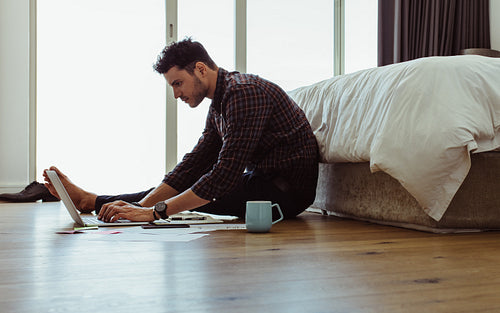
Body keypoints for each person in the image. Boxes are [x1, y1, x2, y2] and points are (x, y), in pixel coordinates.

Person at [44, 38, 319, 223]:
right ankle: (92, 200)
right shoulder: (220, 102)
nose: (176, 94)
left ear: (200, 69)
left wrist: (155, 212)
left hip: (283, 195)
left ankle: (90, 200)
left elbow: (223, 175)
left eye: (178, 83)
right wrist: (143, 206)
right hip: (262, 182)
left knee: (199, 189)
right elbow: (194, 164)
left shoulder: (244, 93)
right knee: (192, 179)